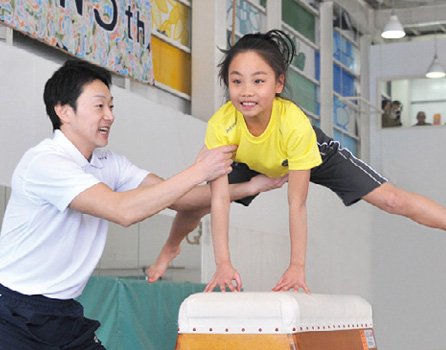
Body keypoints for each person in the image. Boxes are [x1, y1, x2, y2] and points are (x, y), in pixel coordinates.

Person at [147, 30, 446, 293]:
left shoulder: (295, 125)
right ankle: (172, 245)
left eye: (258, 81)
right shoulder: (222, 124)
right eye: (236, 81)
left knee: (392, 200)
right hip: (250, 156)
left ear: (279, 83)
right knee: (198, 200)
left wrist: (297, 266)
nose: (246, 91)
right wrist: (223, 263)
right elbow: (221, 198)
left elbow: (297, 204)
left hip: (309, 153)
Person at [0, 59, 285, 349]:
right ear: (63, 110)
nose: (109, 116)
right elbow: (122, 211)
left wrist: (248, 187)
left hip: (63, 313)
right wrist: (200, 170)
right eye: (99, 106)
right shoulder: (46, 162)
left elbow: (180, 199)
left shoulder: (109, 163)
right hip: (12, 313)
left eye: (112, 106)